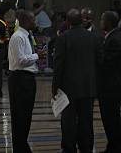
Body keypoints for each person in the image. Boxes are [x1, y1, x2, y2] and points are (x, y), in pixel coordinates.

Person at [52, 8, 101, 153]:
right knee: (87, 121)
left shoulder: (63, 38)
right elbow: (100, 62)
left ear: (67, 22)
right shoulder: (94, 37)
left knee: (68, 121)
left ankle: (69, 148)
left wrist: (55, 87)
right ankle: (86, 148)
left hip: (68, 89)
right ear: (82, 20)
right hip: (88, 87)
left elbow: (58, 65)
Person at [8, 10, 42, 153]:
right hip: (20, 79)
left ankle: (22, 145)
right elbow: (20, 60)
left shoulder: (27, 36)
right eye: (33, 20)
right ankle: (20, 147)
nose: (35, 22)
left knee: (26, 115)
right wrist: (36, 56)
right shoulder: (18, 37)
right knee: (20, 115)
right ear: (26, 21)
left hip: (27, 79)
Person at [98, 10, 121, 153]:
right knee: (112, 119)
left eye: (102, 19)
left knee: (111, 119)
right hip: (112, 86)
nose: (100, 22)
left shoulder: (115, 39)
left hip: (111, 87)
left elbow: (107, 63)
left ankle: (114, 147)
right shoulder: (113, 36)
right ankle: (112, 146)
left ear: (109, 22)